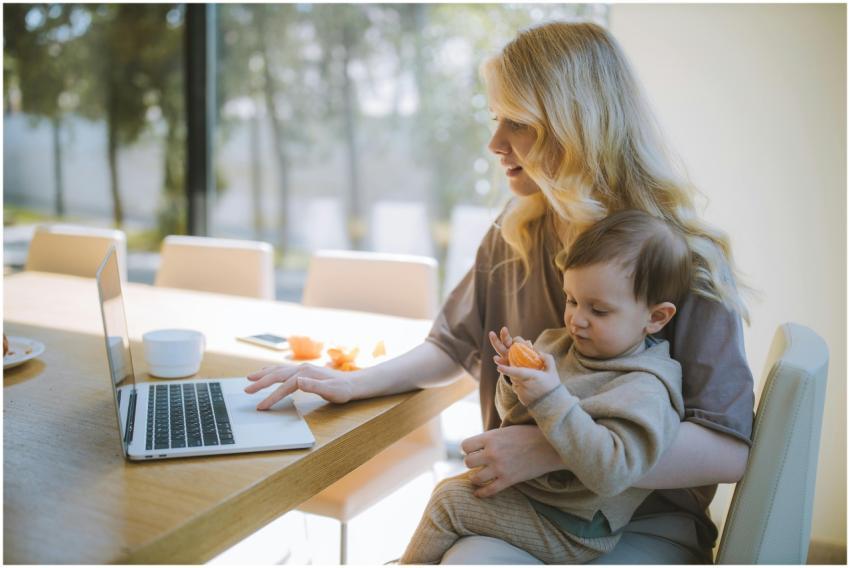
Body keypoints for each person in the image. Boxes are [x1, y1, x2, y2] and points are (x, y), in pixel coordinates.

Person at [245, 20, 754, 564]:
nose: (494, 143)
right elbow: (452, 346)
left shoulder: (682, 260)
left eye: (519, 123)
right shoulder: (516, 232)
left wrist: (550, 448)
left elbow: (727, 451)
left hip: (640, 523)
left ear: (576, 126)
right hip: (528, 503)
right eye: (495, 120)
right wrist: (355, 382)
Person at [400, 210, 690, 564]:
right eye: (572, 300)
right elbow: (515, 416)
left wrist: (550, 397)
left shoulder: (646, 387)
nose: (576, 319)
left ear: (656, 317)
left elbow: (613, 472)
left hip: (574, 528)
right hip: (536, 499)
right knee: (453, 490)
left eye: (598, 310)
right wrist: (515, 379)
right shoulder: (561, 344)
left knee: (449, 504)